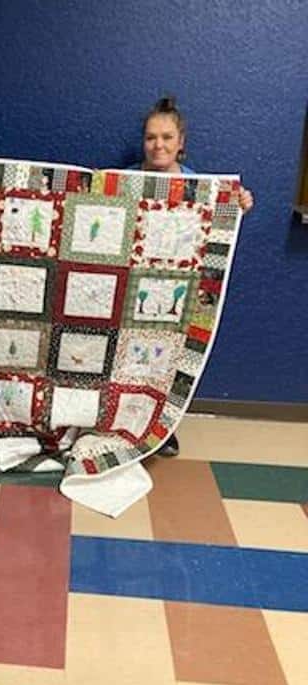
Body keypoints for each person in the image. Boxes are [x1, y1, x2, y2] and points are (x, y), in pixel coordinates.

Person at [129, 96, 254, 456]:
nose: (159, 145)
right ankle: (122, 421)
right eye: (151, 137)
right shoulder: (128, 180)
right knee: (127, 362)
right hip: (133, 286)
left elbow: (218, 221)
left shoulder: (199, 186)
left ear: (181, 142)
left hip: (177, 291)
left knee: (166, 361)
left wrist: (237, 204)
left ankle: (159, 429)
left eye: (167, 137)